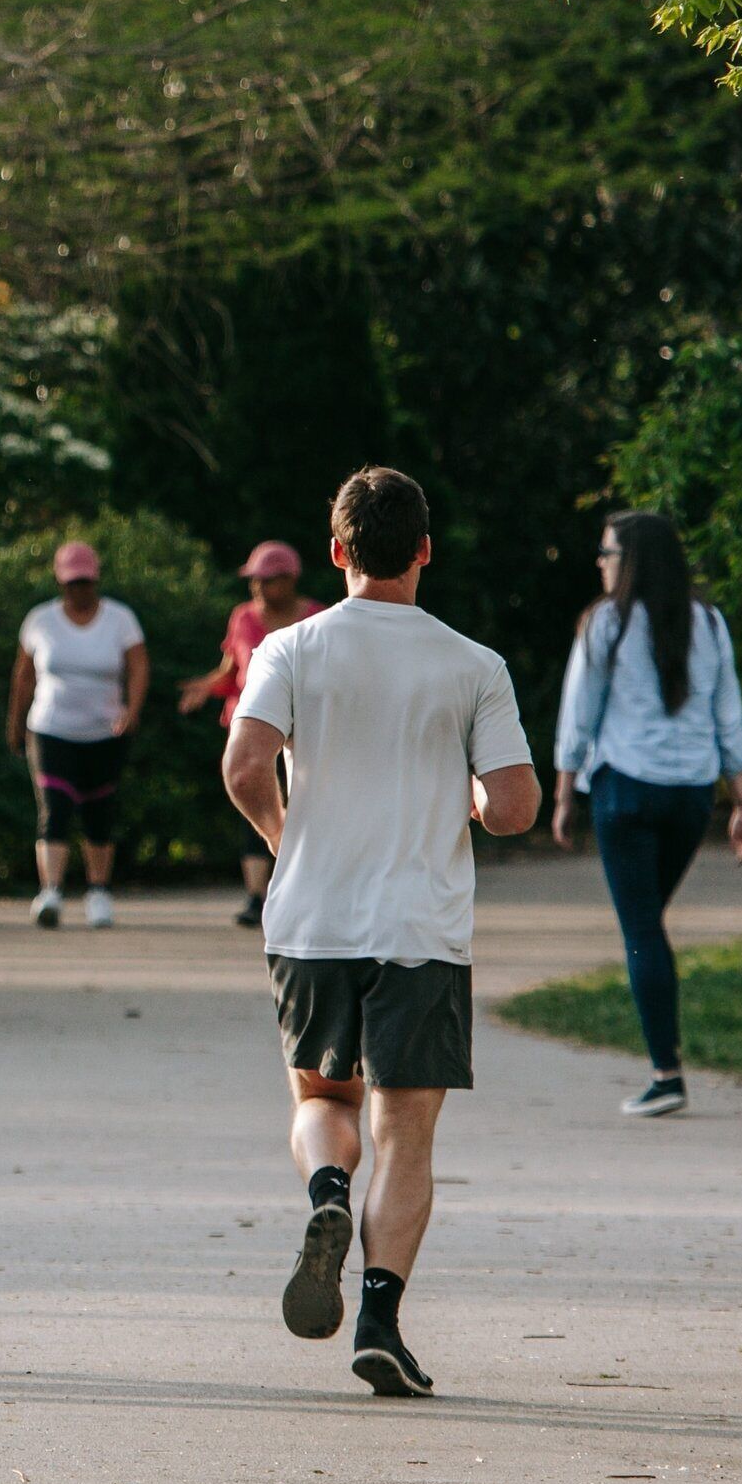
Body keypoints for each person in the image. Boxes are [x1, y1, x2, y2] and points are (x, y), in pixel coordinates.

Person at [223, 467, 539, 1400]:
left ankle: (325, 1190)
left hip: (313, 918)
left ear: (336, 552)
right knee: (407, 1130)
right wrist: (473, 796)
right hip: (420, 930)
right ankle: (380, 1318)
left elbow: (244, 767)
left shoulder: (289, 647)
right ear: (425, 551)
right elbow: (515, 806)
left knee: (325, 1097)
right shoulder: (473, 664)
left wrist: (289, 841)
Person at [550, 509, 742, 1118]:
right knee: (647, 924)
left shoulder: (606, 623)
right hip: (690, 797)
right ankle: (664, 1063)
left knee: (642, 928)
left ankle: (666, 1073)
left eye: (608, 553)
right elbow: (729, 717)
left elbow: (578, 714)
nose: (600, 562)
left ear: (633, 561)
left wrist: (564, 794)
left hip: (626, 794)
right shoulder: (710, 623)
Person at [180, 539, 325, 929]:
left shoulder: (317, 618)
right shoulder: (243, 617)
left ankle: (304, 890)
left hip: (304, 728)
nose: (259, 588)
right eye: (254, 581)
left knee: (307, 803)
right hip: (253, 725)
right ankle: (256, 897)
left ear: (291, 579)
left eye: (268, 580)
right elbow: (231, 671)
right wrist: (204, 688)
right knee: (255, 805)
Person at [8, 539, 147, 927]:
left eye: (85, 582)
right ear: (59, 581)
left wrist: (131, 712)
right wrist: (15, 724)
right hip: (50, 728)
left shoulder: (120, 619)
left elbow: (138, 667)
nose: (78, 590)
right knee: (54, 808)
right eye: (71, 583)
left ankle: (99, 891)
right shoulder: (40, 620)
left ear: (96, 580)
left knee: (98, 812)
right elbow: (23, 676)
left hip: (105, 731)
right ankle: (50, 891)